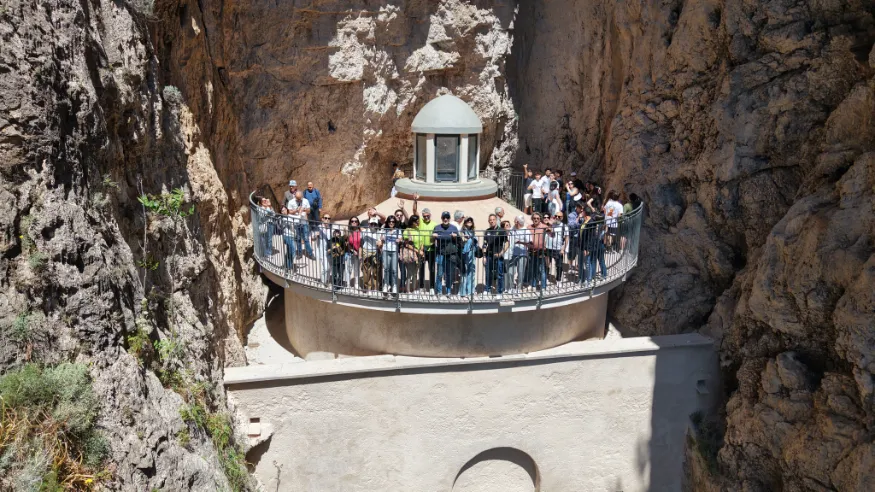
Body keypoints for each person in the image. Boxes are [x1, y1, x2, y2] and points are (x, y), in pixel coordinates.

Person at [412, 196, 437, 292]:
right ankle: (422, 287)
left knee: (432, 269)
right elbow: (414, 211)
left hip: (431, 249)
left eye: (428, 216)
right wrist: (415, 201)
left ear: (430, 215)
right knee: (421, 269)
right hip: (422, 250)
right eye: (424, 216)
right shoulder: (421, 222)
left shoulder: (434, 224)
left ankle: (431, 287)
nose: (426, 217)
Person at [431, 211, 459, 297]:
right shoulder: (437, 227)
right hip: (440, 253)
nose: (445, 219)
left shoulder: (454, 228)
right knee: (439, 273)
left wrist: (455, 237)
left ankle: (448, 291)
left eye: (447, 217)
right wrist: (433, 237)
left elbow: (458, 241)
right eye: (444, 217)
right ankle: (439, 292)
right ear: (441, 218)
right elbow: (431, 240)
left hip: (450, 254)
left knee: (449, 273)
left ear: (449, 219)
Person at [578, 208, 607, 284]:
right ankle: (589, 277)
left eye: (582, 211)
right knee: (591, 261)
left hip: (596, 245)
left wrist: (587, 248)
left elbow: (590, 237)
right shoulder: (587, 221)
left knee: (594, 261)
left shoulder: (592, 223)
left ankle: (592, 279)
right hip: (589, 245)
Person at [483, 213, 507, 296]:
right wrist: (484, 256)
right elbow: (484, 244)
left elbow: (507, 243)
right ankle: (487, 289)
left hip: (498, 256)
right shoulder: (487, 231)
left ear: (496, 220)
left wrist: (501, 253)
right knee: (488, 273)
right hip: (489, 255)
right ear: (488, 221)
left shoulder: (501, 230)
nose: (492, 221)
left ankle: (499, 291)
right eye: (490, 220)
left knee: (500, 274)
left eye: (493, 220)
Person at [507, 216, 531, 293]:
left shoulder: (526, 231)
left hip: (522, 253)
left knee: (521, 271)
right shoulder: (512, 229)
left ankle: (519, 287)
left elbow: (529, 243)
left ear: (519, 222)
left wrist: (520, 242)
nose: (514, 222)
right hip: (512, 253)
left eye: (516, 221)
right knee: (510, 271)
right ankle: (511, 287)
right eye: (515, 220)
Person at [400, 216, 423, 293]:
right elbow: (406, 244)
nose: (418, 223)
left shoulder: (419, 230)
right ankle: (408, 291)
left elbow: (421, 240)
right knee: (410, 273)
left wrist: (421, 250)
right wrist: (417, 251)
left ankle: (414, 289)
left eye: (418, 221)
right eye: (416, 221)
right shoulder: (407, 230)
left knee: (415, 273)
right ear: (412, 222)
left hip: (419, 253)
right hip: (411, 254)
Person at [287, 191, 314, 259]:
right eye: (297, 198)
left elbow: (309, 211)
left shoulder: (305, 201)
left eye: (300, 198)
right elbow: (289, 212)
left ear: (302, 196)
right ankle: (299, 254)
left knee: (306, 239)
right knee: (298, 239)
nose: (299, 200)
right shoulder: (291, 202)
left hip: (304, 222)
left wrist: (304, 209)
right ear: (294, 196)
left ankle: (310, 253)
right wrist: (296, 210)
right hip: (296, 222)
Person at [380, 216, 401, 294]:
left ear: (395, 223)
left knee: (394, 270)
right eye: (389, 221)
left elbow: (400, 238)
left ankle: (394, 285)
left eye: (393, 222)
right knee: (386, 269)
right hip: (386, 250)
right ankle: (386, 284)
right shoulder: (385, 230)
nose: (391, 223)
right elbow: (381, 238)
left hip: (394, 251)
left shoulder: (398, 230)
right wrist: (382, 237)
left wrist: (399, 240)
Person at [545, 211, 568, 282]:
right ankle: (546, 277)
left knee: (559, 265)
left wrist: (563, 249)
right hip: (549, 247)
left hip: (558, 248)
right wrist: (550, 223)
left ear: (562, 218)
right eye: (556, 216)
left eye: (559, 217)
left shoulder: (564, 226)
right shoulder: (552, 224)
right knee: (547, 263)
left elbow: (566, 239)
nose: (557, 218)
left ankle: (558, 280)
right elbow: (547, 232)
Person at [528, 212, 549, 290]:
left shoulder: (544, 227)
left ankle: (543, 286)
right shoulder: (529, 227)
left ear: (540, 219)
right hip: (531, 251)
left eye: (537, 218)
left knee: (542, 269)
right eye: (534, 218)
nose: (536, 220)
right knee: (532, 268)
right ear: (532, 219)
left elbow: (552, 233)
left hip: (541, 251)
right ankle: (533, 284)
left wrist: (549, 225)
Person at [361, 217, 382, 292]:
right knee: (367, 271)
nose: (373, 225)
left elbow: (381, 243)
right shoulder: (364, 232)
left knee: (376, 271)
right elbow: (361, 241)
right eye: (371, 224)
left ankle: (375, 288)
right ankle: (367, 287)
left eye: (375, 224)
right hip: (366, 252)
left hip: (375, 252)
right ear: (369, 224)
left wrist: (380, 244)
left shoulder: (379, 232)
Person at [459, 217, 478, 297]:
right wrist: (465, 238)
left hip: (472, 254)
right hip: (464, 254)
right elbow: (461, 240)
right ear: (465, 222)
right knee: (464, 273)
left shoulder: (473, 232)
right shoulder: (462, 231)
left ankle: (470, 291)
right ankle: (463, 292)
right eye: (468, 221)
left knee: (471, 273)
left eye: (471, 221)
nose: (469, 222)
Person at [312, 213, 333, 284]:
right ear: (322, 219)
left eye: (329, 218)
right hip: (322, 251)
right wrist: (316, 235)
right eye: (326, 218)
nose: (327, 220)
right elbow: (312, 237)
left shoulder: (331, 228)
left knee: (329, 267)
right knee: (326, 267)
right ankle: (323, 281)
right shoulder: (318, 227)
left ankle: (326, 280)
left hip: (330, 251)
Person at [345, 217, 362, 290]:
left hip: (359, 253)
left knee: (356, 269)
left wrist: (359, 253)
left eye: (355, 221)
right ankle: (348, 284)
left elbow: (362, 244)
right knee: (348, 268)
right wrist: (352, 250)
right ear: (350, 222)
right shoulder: (348, 232)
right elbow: (346, 243)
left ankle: (356, 284)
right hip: (350, 253)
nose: (354, 222)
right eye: (352, 221)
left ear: (358, 223)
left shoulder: (361, 232)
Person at [329, 227, 347, 291]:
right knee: (334, 273)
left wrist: (343, 234)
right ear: (333, 234)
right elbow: (328, 250)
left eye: (338, 233)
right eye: (335, 233)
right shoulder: (331, 240)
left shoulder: (341, 240)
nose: (337, 234)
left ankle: (339, 285)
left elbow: (344, 246)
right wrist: (332, 248)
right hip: (334, 259)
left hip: (341, 259)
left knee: (341, 273)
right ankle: (334, 285)